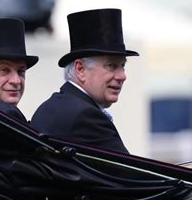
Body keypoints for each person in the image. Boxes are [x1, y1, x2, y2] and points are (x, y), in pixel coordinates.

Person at [31, 9, 139, 154]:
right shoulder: (86, 117)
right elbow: (132, 174)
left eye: (122, 66)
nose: (122, 76)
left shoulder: (52, 106)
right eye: (111, 66)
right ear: (80, 69)